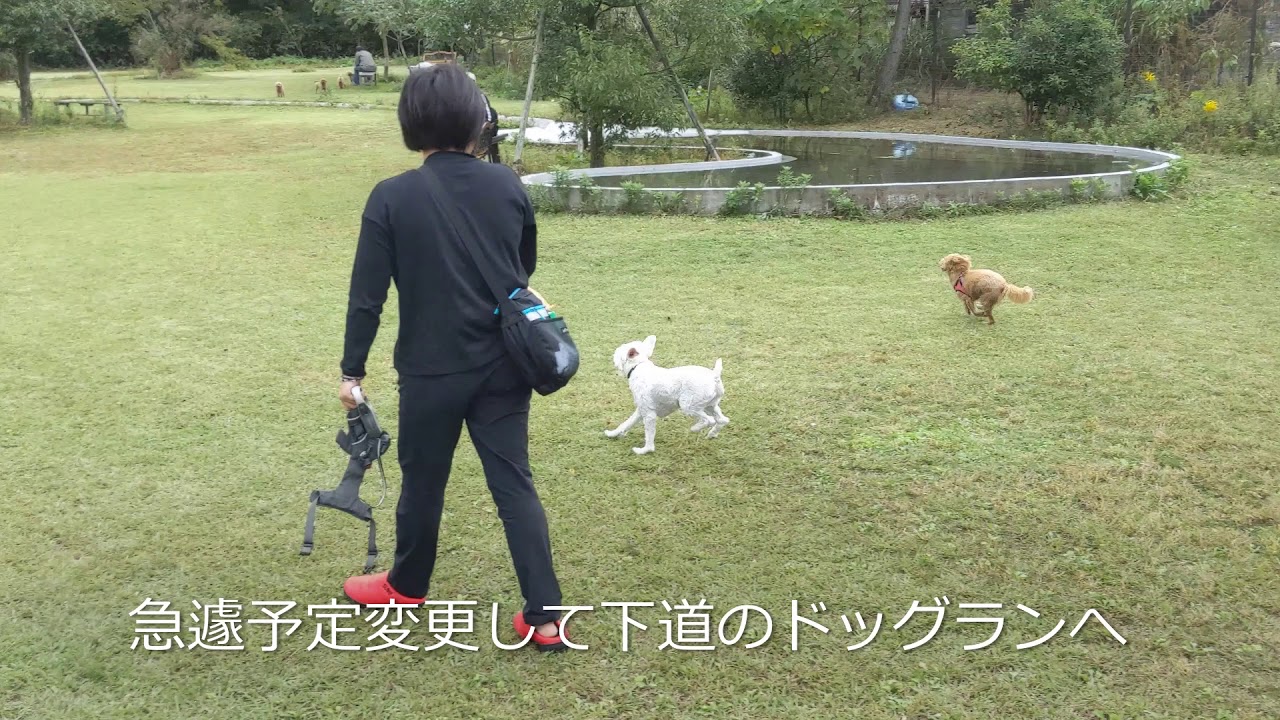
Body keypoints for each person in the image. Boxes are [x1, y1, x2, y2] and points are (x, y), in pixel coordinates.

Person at [337, 63, 569, 651]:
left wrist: (352, 372)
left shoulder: (391, 197)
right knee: (514, 482)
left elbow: (367, 297)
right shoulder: (507, 183)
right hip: (503, 367)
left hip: (430, 371)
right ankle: (544, 619)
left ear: (410, 122)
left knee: (423, 482)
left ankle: (406, 586)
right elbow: (523, 269)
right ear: (475, 116)